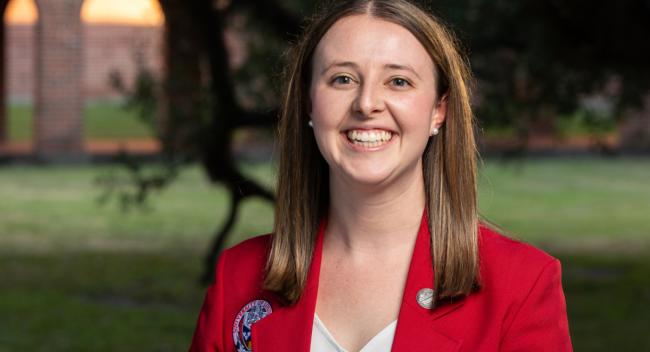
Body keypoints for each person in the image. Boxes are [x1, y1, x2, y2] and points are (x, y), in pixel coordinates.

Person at [189, 0, 572, 351]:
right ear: (308, 103)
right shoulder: (236, 278)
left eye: (398, 81)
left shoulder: (522, 285)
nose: (367, 103)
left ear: (439, 110)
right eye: (342, 79)